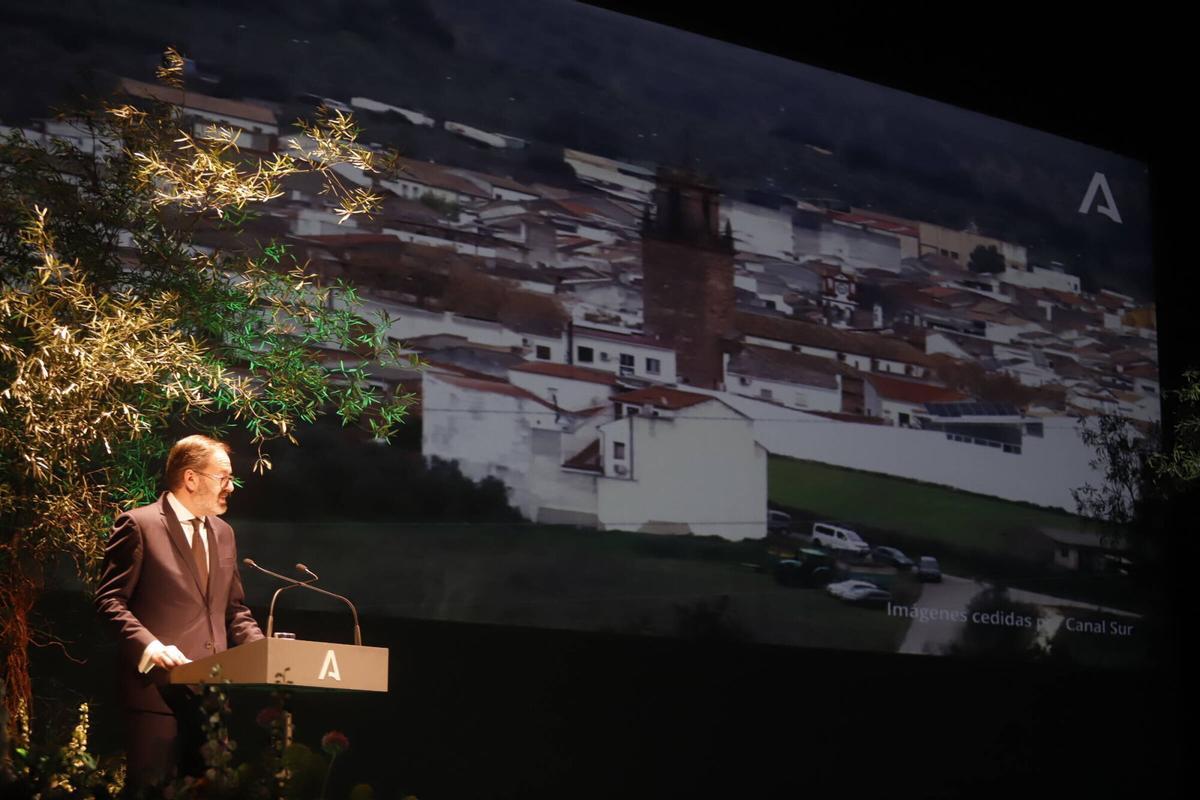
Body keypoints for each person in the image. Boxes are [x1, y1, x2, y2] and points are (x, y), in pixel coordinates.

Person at [94, 434, 264, 789]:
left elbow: (233, 610)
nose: (230, 487)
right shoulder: (139, 525)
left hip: (211, 699)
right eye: (223, 477)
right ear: (191, 478)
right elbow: (109, 601)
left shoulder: (224, 533)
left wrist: (265, 651)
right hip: (155, 694)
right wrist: (151, 647)